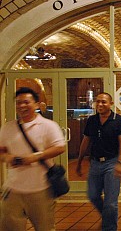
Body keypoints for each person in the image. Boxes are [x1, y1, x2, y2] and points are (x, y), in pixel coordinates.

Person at [0, 87, 65, 230]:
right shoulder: (8, 128)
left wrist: (36, 156)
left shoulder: (48, 126)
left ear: (36, 104)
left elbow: (60, 147)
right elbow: (1, 151)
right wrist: (7, 157)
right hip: (13, 189)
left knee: (44, 227)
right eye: (18, 103)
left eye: (26, 102)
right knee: (9, 226)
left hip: (40, 189)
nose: (22, 106)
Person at [76, 92, 121, 230]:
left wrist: (120, 162)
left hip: (112, 163)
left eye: (103, 102)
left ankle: (109, 228)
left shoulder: (118, 120)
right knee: (92, 195)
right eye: (98, 101)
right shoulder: (92, 120)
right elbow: (86, 140)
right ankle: (107, 218)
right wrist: (79, 161)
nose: (100, 104)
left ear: (110, 104)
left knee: (111, 203)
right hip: (95, 164)